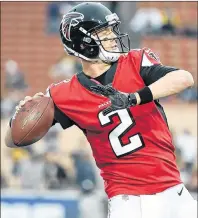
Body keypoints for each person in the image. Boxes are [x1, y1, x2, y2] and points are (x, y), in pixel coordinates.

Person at [5, 2, 197, 218]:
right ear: (84, 43)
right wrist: (20, 114)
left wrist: (135, 98)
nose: (113, 37)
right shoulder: (64, 94)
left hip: (174, 189)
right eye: (104, 33)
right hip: (131, 201)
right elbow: (13, 140)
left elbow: (184, 78)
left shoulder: (134, 62)